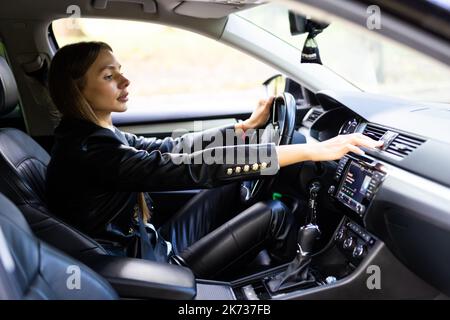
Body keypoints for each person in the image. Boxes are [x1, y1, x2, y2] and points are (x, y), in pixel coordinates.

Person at [46, 42, 382, 279]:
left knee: (231, 188)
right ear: (77, 90)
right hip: (147, 269)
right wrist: (310, 151)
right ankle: (297, 285)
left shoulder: (92, 136)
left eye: (121, 71)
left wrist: (243, 129)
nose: (125, 81)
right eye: (109, 76)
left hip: (146, 244)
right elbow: (193, 167)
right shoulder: (90, 152)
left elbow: (172, 147)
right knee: (275, 214)